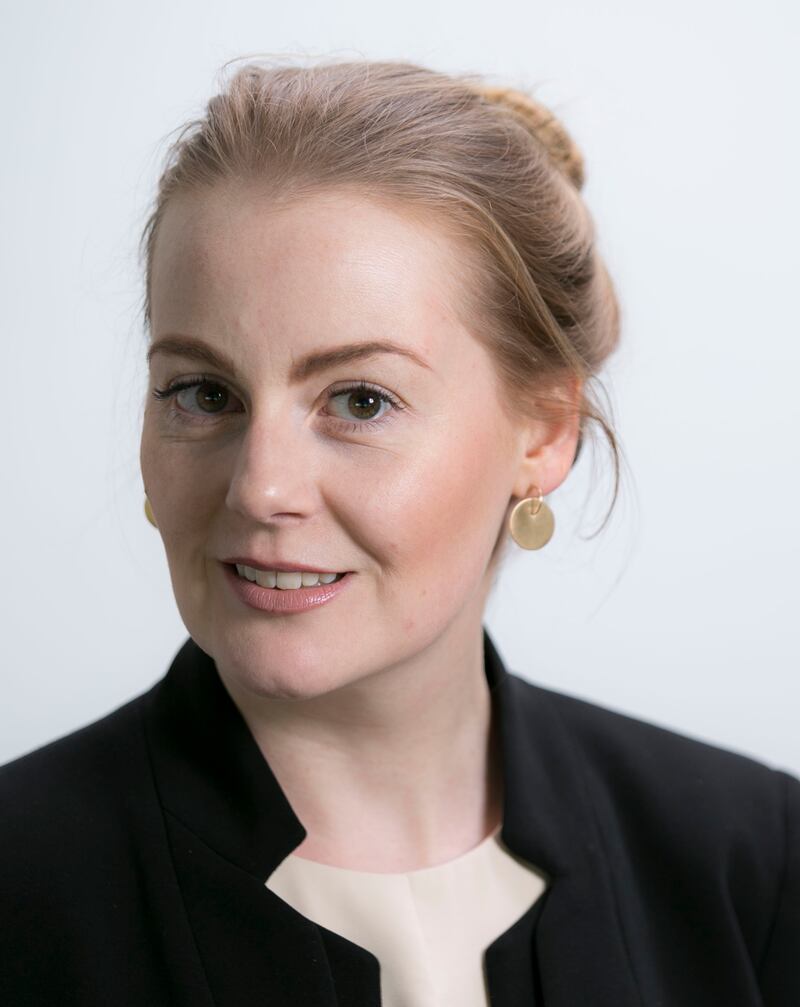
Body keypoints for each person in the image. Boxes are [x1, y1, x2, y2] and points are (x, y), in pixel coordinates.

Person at [1, 56, 797, 1007]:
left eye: (361, 400)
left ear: (543, 433)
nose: (262, 488)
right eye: (204, 393)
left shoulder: (752, 861)